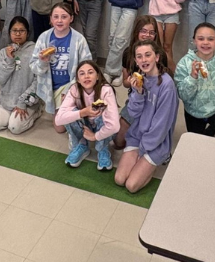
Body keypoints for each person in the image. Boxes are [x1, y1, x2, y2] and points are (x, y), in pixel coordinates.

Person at [114, 40, 178, 194]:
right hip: (137, 136)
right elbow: (134, 113)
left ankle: (155, 162)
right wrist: (138, 92)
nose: (144, 60)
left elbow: (161, 126)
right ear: (136, 61)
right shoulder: (138, 79)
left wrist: (143, 151)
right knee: (119, 179)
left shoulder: (167, 86)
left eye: (148, 55)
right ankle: (142, 163)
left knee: (131, 185)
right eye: (139, 57)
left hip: (156, 143)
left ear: (156, 57)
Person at [30, 2, 91, 118]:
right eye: (56, 17)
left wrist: (71, 90)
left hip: (70, 84)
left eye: (64, 17)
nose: (59, 21)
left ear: (71, 18)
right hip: (49, 85)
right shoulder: (44, 38)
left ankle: (75, 107)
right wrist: (43, 61)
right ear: (51, 19)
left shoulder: (79, 39)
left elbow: (87, 68)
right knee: (58, 123)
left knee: (62, 124)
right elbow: (34, 67)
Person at [56, 60, 119, 170]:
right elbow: (59, 120)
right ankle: (81, 145)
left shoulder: (106, 90)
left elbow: (114, 126)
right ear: (78, 80)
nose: (86, 76)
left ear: (98, 76)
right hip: (84, 125)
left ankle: (103, 148)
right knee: (70, 113)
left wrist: (95, 137)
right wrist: (83, 112)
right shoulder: (74, 89)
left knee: (105, 114)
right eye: (82, 73)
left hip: (100, 126)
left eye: (90, 72)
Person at [115, 15, 163, 150]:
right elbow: (124, 83)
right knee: (118, 142)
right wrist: (131, 82)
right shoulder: (128, 53)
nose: (147, 35)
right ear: (136, 32)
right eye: (143, 31)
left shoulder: (160, 55)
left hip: (154, 101)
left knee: (148, 143)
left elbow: (165, 84)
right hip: (134, 99)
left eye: (151, 32)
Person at [0, 16, 41, 135]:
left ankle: (36, 111)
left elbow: (39, 80)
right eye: (14, 30)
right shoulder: (3, 52)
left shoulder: (35, 52)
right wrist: (9, 59)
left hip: (26, 101)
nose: (18, 34)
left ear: (27, 33)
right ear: (9, 33)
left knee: (14, 128)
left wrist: (23, 101)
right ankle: (8, 113)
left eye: (21, 30)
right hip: (5, 100)